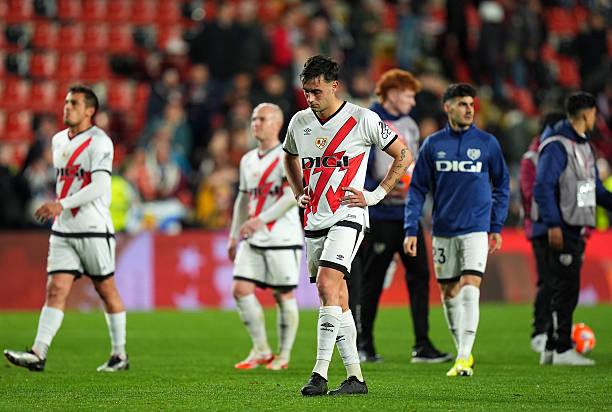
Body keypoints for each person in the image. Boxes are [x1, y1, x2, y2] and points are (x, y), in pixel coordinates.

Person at [283, 55, 412, 395]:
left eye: (316, 91)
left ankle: (319, 374)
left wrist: (376, 194)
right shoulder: (299, 122)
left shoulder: (362, 119)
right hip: (315, 219)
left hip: (348, 215)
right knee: (337, 297)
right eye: (306, 92)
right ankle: (356, 378)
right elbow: (289, 155)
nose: (310, 98)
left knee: (328, 284)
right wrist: (299, 192)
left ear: (334, 86)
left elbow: (403, 154)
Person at [4, 85, 128, 372]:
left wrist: (60, 204)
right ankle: (38, 353)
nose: (67, 107)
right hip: (63, 231)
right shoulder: (58, 140)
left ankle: (119, 355)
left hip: (94, 229)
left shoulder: (100, 142)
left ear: (90, 111)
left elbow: (99, 186)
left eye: (74, 103)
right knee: (56, 289)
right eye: (66, 102)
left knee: (106, 290)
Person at [403, 83, 510, 377]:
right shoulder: (433, 145)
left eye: (471, 104)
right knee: (448, 291)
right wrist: (411, 228)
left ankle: (463, 357)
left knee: (470, 286)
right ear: (447, 107)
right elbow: (417, 190)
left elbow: (502, 185)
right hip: (443, 230)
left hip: (476, 228)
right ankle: (464, 351)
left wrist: (496, 224)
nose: (469, 109)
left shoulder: (487, 143)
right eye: (462, 104)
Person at [351, 68, 451, 364]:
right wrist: (376, 192)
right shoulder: (368, 121)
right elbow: (362, 168)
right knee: (373, 281)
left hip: (407, 215)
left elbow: (412, 165)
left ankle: (422, 345)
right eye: (408, 95)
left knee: (420, 276)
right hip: (380, 214)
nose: (412, 101)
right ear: (393, 94)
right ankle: (364, 344)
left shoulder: (409, 123)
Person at [533, 91, 612, 366]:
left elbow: (594, 190)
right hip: (562, 226)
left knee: (566, 288)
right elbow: (542, 187)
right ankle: (563, 347)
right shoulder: (557, 145)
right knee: (565, 290)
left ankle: (553, 348)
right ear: (587, 114)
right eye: (594, 114)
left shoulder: (583, 147)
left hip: (576, 226)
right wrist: (552, 223)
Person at [227, 103, 303, 371]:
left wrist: (261, 220)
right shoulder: (247, 159)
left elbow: (291, 196)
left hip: (282, 237)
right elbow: (243, 198)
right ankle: (261, 349)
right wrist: (234, 235)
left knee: (282, 295)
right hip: (252, 237)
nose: (256, 123)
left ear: (277, 124)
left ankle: (283, 354)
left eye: (262, 119)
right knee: (240, 289)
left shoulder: (289, 155)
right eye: (253, 118)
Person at [518, 112, 565, 353]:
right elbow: (531, 195)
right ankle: (540, 329)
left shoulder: (562, 153)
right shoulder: (532, 158)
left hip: (563, 226)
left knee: (562, 282)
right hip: (540, 228)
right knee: (547, 281)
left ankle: (558, 331)